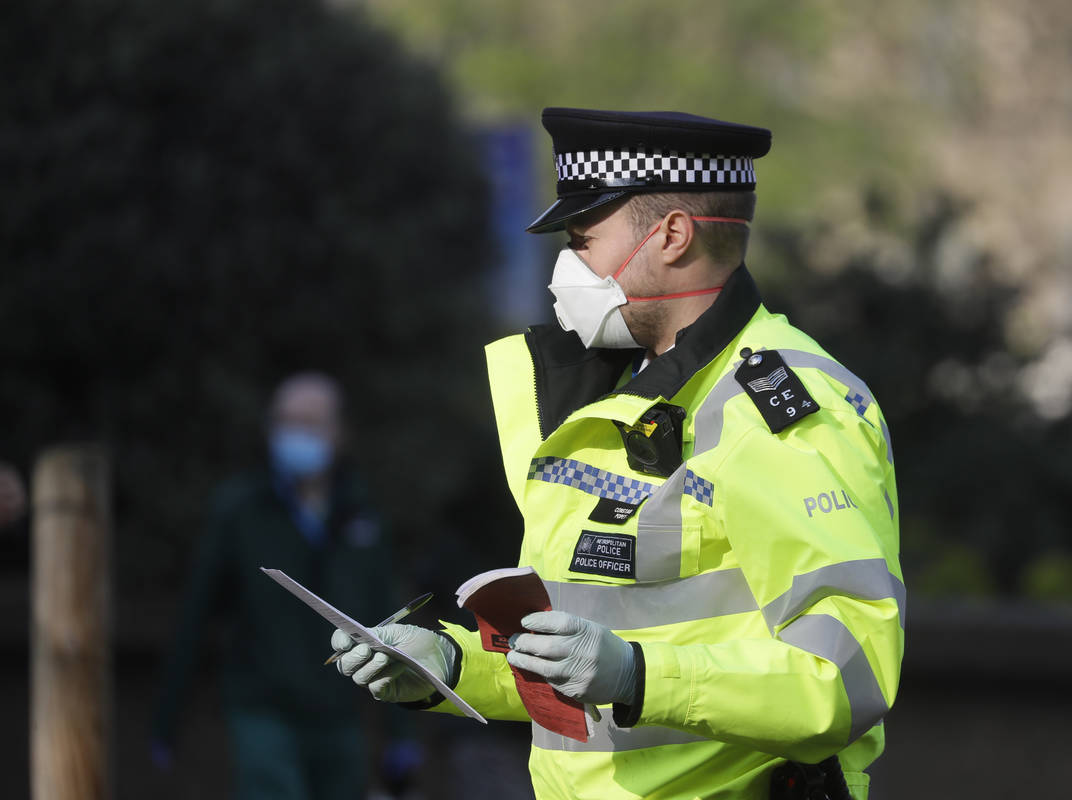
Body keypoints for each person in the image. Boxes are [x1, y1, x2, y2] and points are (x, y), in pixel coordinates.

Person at [330, 109, 904, 800]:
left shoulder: (782, 407)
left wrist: (638, 675)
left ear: (672, 235)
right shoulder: (609, 400)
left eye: (583, 242)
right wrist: (448, 665)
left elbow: (847, 677)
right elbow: (577, 664)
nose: (565, 269)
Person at [154, 372, 420, 799]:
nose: (296, 434)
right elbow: (197, 613)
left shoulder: (361, 515)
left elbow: (386, 620)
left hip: (339, 715)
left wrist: (399, 729)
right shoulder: (240, 509)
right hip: (264, 710)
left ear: (339, 432)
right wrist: (167, 718)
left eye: (310, 423)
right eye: (285, 422)